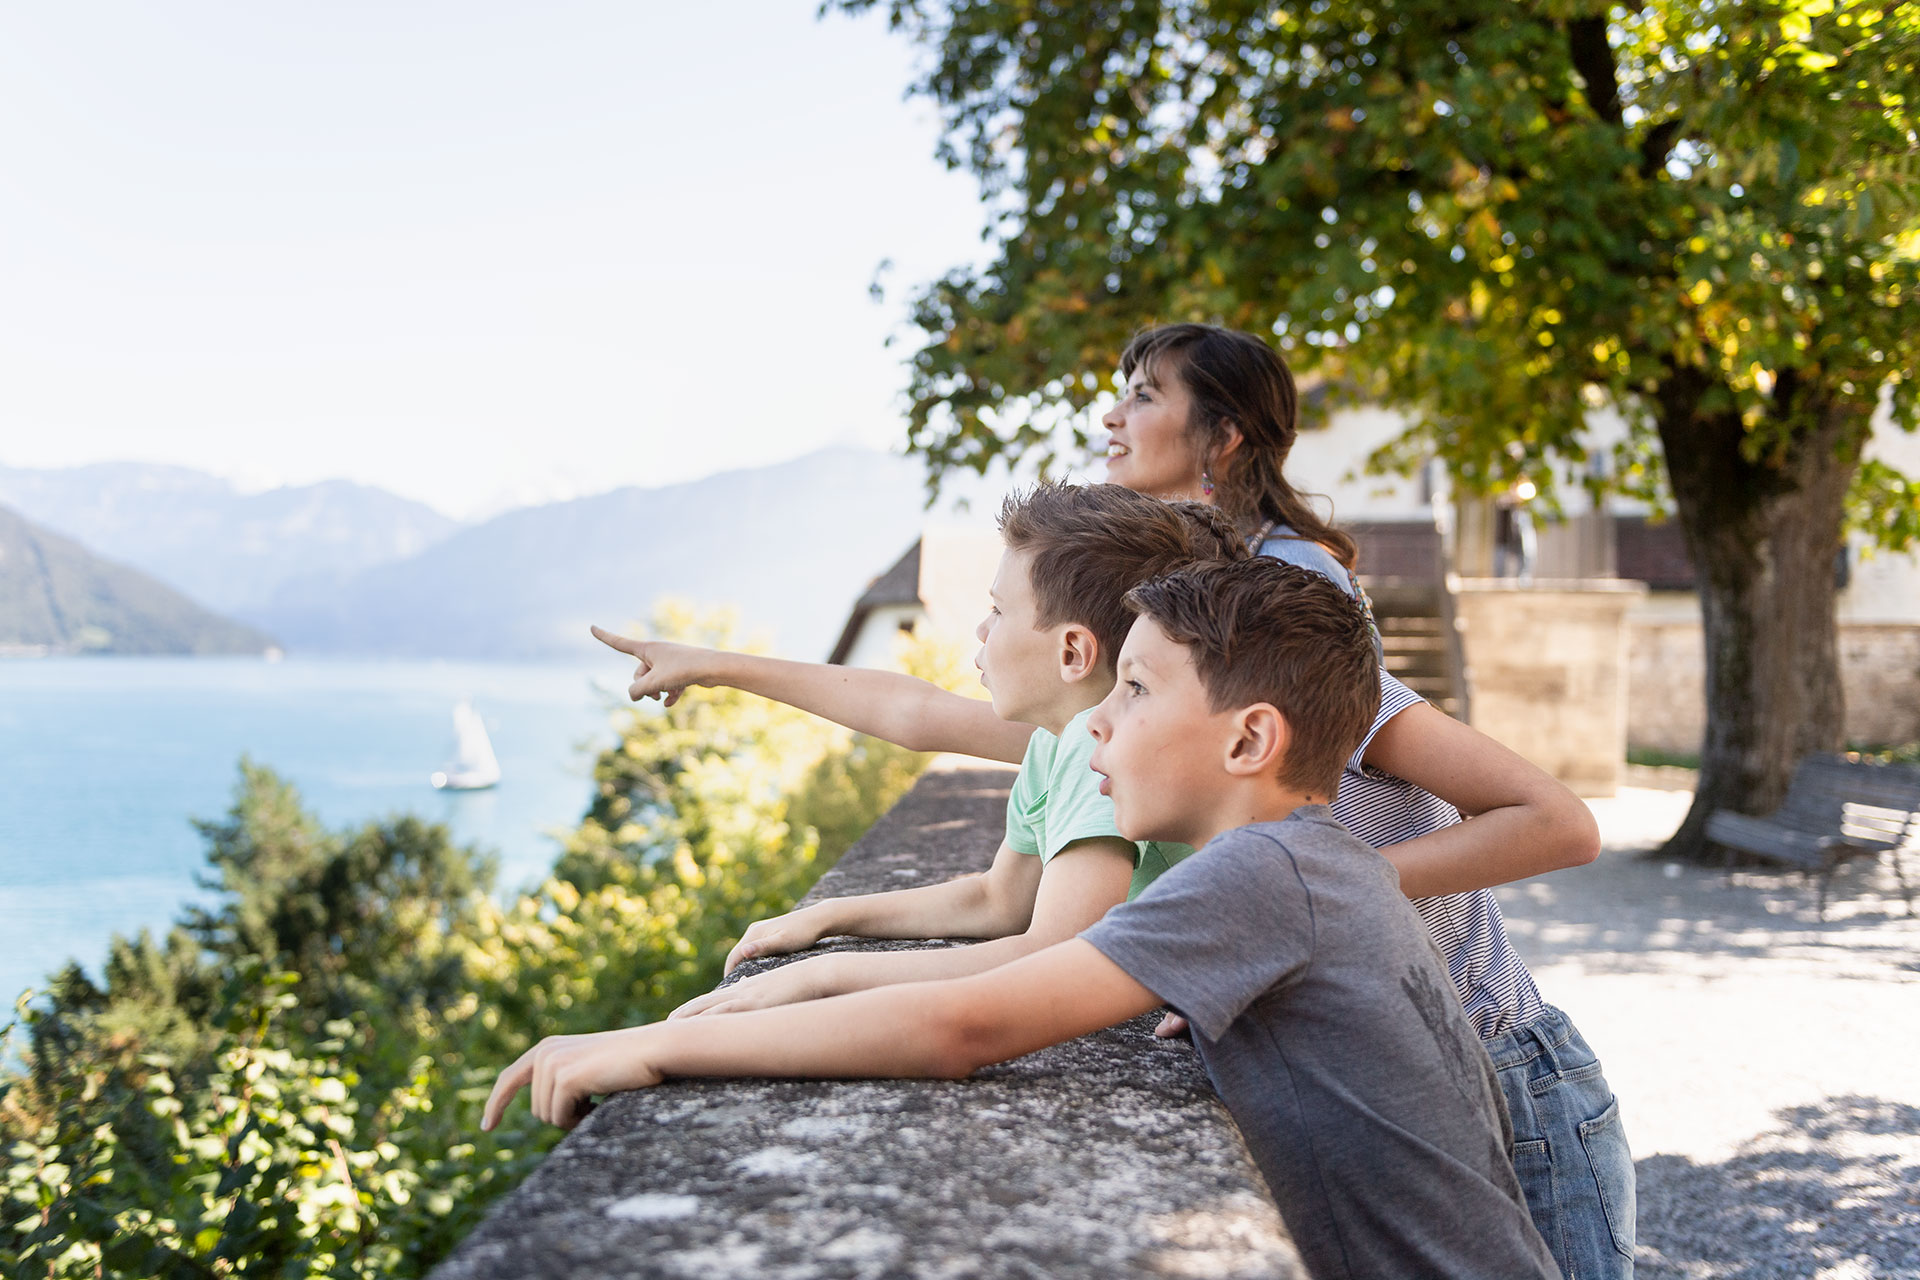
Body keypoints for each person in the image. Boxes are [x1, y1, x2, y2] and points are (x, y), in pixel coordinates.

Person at [483, 558, 1561, 1280]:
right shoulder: (1316, 867)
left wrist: (661, 1045)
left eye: (1136, 691)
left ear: (1248, 743)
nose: (1101, 722)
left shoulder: (1263, 875)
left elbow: (963, 1027)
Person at [1099, 322, 1632, 1280]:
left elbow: (1558, 824)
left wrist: (1286, 903)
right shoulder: (1197, 604)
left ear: (1223, 437)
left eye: (1143, 395)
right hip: (1407, 1075)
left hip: (1504, 1065)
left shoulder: (1285, 595)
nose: (1112, 415)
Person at [593, 481, 1246, 1013]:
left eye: (998, 611)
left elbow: (1052, 951)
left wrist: (820, 978)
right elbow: (1000, 900)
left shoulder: (1091, 747)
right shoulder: (1061, 738)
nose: (982, 629)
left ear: (1073, 651)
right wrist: (829, 918)